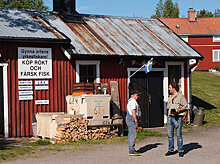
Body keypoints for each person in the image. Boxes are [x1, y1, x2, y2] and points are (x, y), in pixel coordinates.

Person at [165, 82, 188, 157]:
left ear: (174, 88)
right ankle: (171, 149)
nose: (169, 89)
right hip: (170, 117)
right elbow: (168, 107)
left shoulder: (181, 96)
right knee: (170, 135)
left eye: (169, 87)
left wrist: (178, 111)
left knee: (179, 135)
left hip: (178, 118)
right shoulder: (170, 97)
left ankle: (180, 150)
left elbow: (186, 106)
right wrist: (168, 116)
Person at [126, 90, 141, 156]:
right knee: (133, 135)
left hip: (130, 118)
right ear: (133, 95)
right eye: (137, 95)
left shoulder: (130, 101)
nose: (138, 96)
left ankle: (132, 149)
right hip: (131, 118)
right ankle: (132, 150)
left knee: (131, 134)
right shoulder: (133, 101)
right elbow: (133, 111)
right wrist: (135, 120)